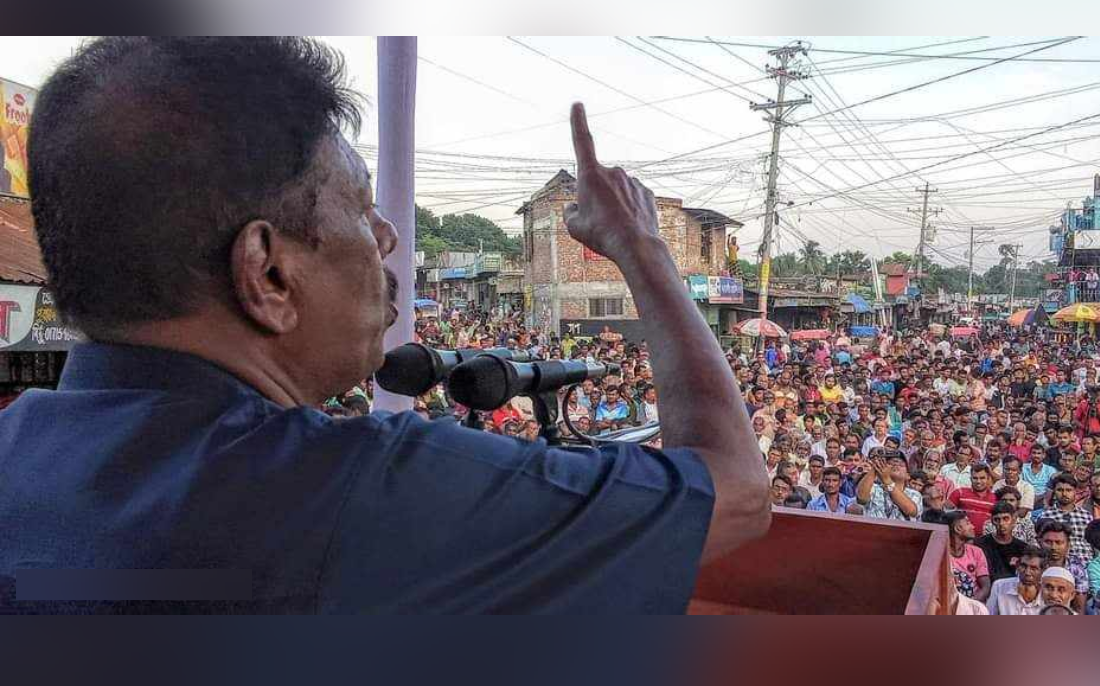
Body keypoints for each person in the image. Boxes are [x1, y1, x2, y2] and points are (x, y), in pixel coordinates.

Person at [0, 39, 771, 614]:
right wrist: (644, 250)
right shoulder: (360, 490)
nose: (387, 237)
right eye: (359, 207)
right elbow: (736, 491)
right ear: (268, 275)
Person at [1040, 474, 1094, 563]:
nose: (1064, 494)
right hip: (1056, 563)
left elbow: (1093, 544)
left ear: (1075, 492)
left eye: (1068, 490)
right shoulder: (1046, 516)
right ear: (1054, 492)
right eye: (1060, 490)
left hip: (1085, 563)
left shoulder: (1086, 516)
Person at [856, 450, 922, 522]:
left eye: (901, 464)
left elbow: (911, 511)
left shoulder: (914, 494)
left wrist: (887, 481)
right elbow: (861, 498)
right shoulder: (874, 488)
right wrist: (875, 468)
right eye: (891, 463)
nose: (896, 465)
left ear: (908, 475)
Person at [943, 510, 991, 604]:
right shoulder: (940, 553)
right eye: (968, 523)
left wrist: (968, 605)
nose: (973, 527)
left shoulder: (976, 552)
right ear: (958, 528)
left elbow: (986, 587)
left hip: (973, 604)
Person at [986, 547, 1048, 616]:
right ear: (1017, 566)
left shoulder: (1047, 592)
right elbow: (990, 614)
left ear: (1043, 571)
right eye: (1023, 566)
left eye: (1033, 568)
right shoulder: (999, 586)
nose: (1027, 572)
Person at [977, 502, 1030, 582]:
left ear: (1014, 519)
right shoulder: (980, 544)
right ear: (992, 521)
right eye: (997, 520)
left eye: (1005, 519)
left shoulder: (1023, 548)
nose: (1001, 523)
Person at [949, 463, 998, 534]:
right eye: (975, 478)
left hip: (985, 539)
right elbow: (946, 513)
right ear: (970, 478)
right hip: (962, 537)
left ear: (988, 478)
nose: (978, 481)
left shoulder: (995, 498)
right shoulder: (959, 492)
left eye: (982, 478)